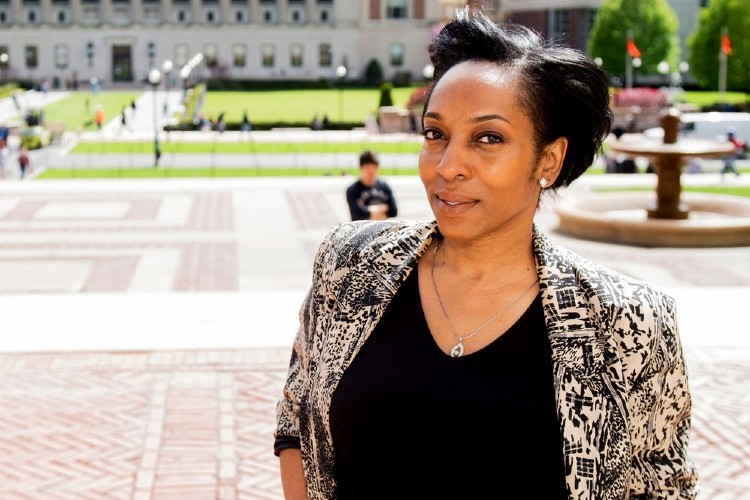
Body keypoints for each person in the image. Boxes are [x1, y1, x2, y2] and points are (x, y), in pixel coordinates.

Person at [274, 7, 697, 499]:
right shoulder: (348, 265)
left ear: (548, 160)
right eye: (435, 134)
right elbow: (296, 420)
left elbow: (662, 488)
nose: (448, 166)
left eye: (488, 138)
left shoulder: (630, 324)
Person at [345, 149, 398, 221]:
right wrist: (381, 208)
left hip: (381, 229)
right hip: (361, 230)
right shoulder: (353, 190)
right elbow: (357, 213)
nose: (371, 171)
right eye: (368, 168)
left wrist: (367, 210)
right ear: (360, 168)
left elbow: (394, 211)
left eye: (374, 168)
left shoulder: (384, 186)